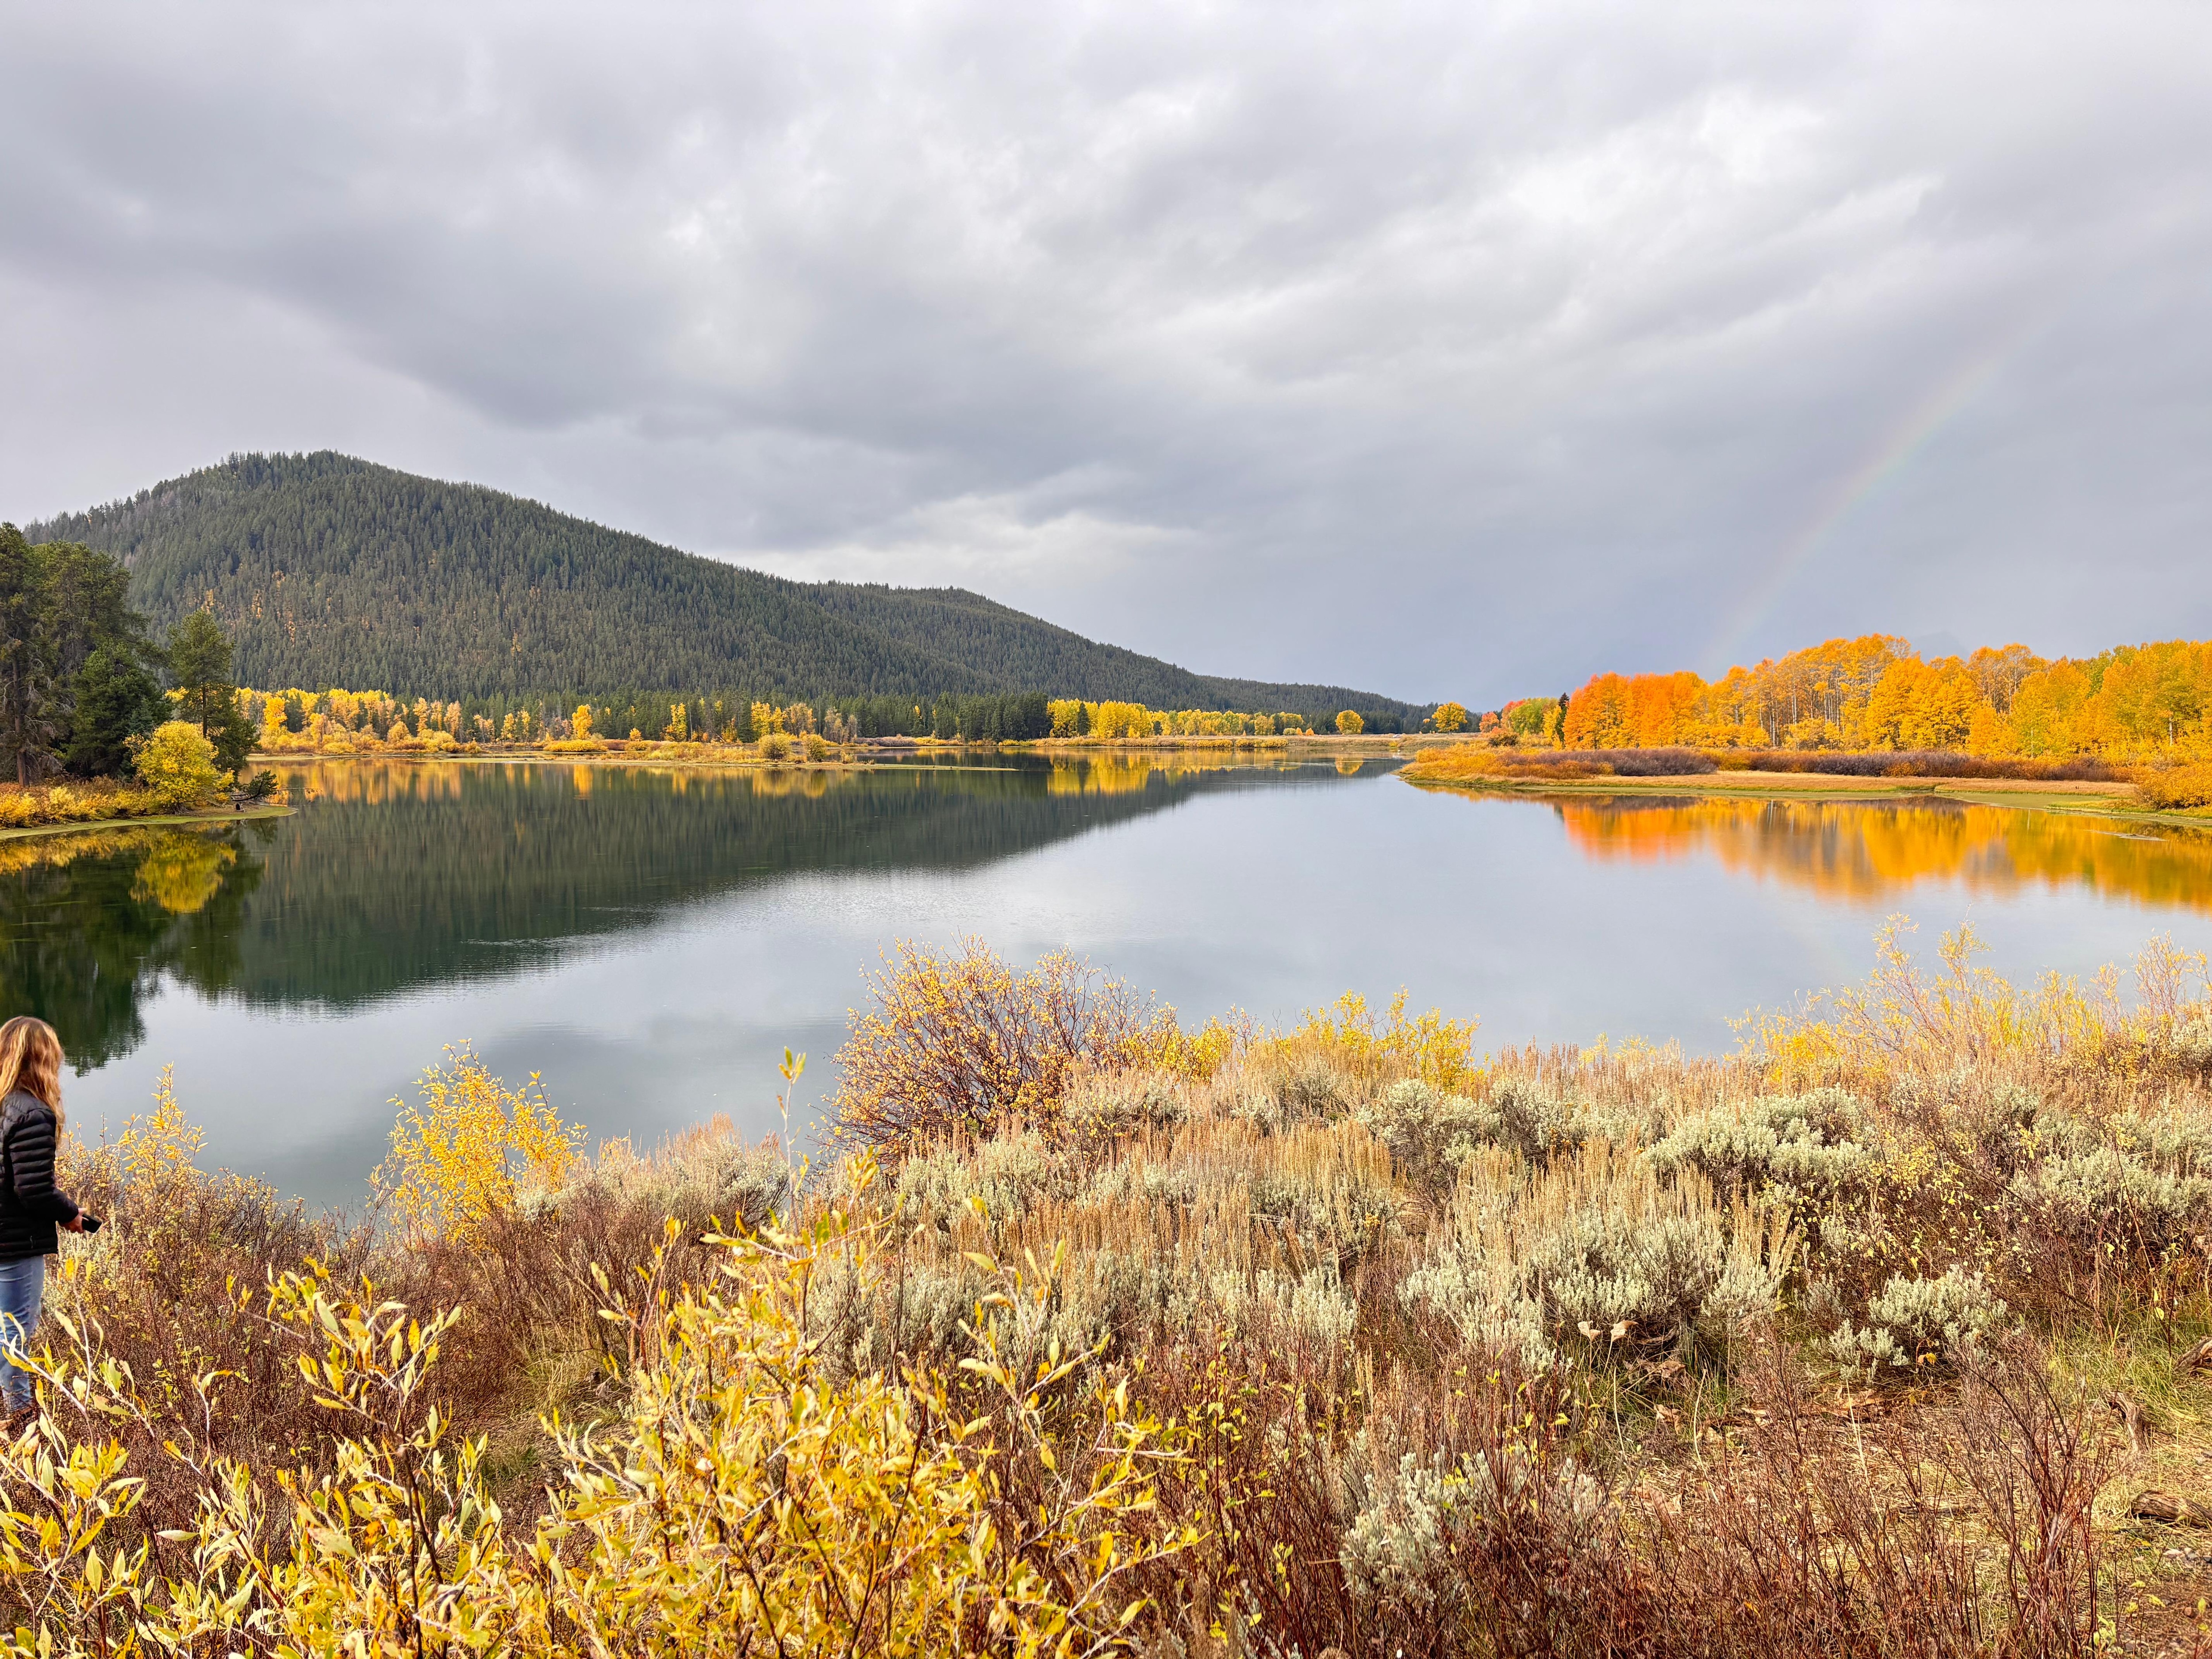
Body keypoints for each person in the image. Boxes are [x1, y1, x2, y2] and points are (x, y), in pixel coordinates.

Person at [0, 1018, 83, 1421]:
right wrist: (71, 1215)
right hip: (15, 1244)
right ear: (42, 1058)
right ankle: (19, 1417)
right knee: (14, 1332)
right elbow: (33, 1190)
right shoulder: (32, 1113)